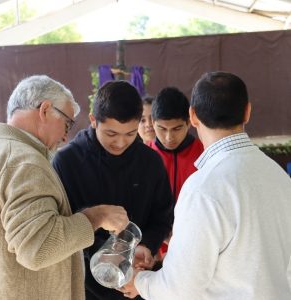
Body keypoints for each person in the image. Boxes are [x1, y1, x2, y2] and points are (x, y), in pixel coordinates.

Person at [122, 71, 291, 299]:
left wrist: (139, 282)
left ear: (192, 116)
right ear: (247, 112)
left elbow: (181, 287)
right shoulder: (278, 176)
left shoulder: (204, 187)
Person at [0, 75, 129, 300]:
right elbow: (37, 247)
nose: (66, 137)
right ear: (45, 110)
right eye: (67, 123)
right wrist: (96, 217)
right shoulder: (24, 162)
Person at [52, 80, 174, 300]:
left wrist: (146, 245)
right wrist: (107, 254)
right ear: (93, 121)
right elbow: (59, 226)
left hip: (139, 283)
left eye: (129, 134)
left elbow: (162, 216)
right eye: (111, 134)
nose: (120, 143)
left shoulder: (151, 161)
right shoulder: (67, 161)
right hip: (84, 285)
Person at [148, 87, 203, 201]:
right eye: (162, 128)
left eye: (176, 128)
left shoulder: (204, 155)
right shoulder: (143, 156)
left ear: (189, 122)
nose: (169, 138)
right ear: (153, 123)